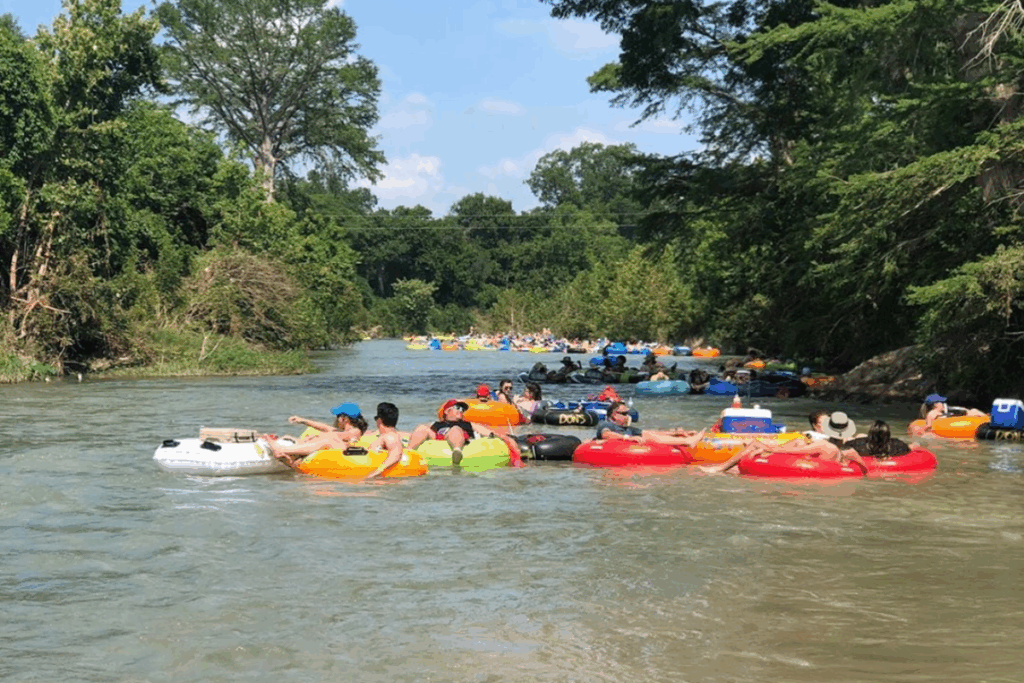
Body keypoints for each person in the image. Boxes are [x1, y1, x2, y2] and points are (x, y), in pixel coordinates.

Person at [701, 410, 867, 473]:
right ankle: (729, 469)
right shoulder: (847, 449)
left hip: (805, 462)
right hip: (814, 460)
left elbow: (794, 451)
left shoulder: (824, 444)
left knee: (757, 445)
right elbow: (864, 468)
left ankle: (720, 468)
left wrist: (768, 449)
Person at [407, 399, 497, 464]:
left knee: (455, 429)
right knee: (422, 427)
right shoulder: (436, 424)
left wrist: (496, 436)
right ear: (447, 411)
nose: (461, 411)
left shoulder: (468, 424)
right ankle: (408, 451)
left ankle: (457, 451)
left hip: (459, 437)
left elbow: (488, 432)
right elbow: (417, 432)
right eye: (457, 408)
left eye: (462, 410)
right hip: (439, 439)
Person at [595, 400, 705, 446]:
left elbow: (650, 432)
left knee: (647, 434)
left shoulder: (627, 429)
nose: (627, 416)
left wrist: (676, 433)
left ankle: (684, 439)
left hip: (629, 444)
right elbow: (606, 434)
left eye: (628, 413)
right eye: (624, 413)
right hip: (615, 450)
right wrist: (627, 438)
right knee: (647, 437)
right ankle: (687, 442)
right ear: (614, 415)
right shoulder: (606, 424)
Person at [287, 402, 368, 442]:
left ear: (345, 419)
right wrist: (302, 420)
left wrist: (315, 436)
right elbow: (324, 427)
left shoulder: (355, 432)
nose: (336, 419)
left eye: (338, 416)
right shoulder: (346, 431)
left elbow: (336, 435)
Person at [365, 402, 407, 479]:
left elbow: (396, 454)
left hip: (382, 481)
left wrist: (375, 473)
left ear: (379, 420)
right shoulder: (392, 435)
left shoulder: (389, 436)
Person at [916, 393, 987, 433]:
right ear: (935, 404)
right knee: (973, 411)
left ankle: (988, 418)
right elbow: (929, 425)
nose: (943, 404)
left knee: (973, 411)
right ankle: (988, 419)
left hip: (957, 421)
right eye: (942, 402)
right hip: (952, 425)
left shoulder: (940, 412)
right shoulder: (933, 413)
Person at [843, 420, 914, 458]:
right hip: (884, 445)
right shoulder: (897, 445)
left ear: (870, 436)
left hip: (867, 444)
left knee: (857, 436)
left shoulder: (859, 445)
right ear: (888, 436)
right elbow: (909, 450)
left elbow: (845, 445)